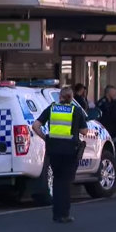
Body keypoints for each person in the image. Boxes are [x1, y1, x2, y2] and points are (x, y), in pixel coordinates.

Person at [32, 87, 88, 223]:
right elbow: (85, 131)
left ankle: (56, 214)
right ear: (71, 97)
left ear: (60, 97)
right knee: (66, 183)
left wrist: (46, 138)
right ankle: (64, 213)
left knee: (57, 182)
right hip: (69, 151)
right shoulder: (76, 110)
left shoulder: (51, 108)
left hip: (54, 150)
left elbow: (35, 126)